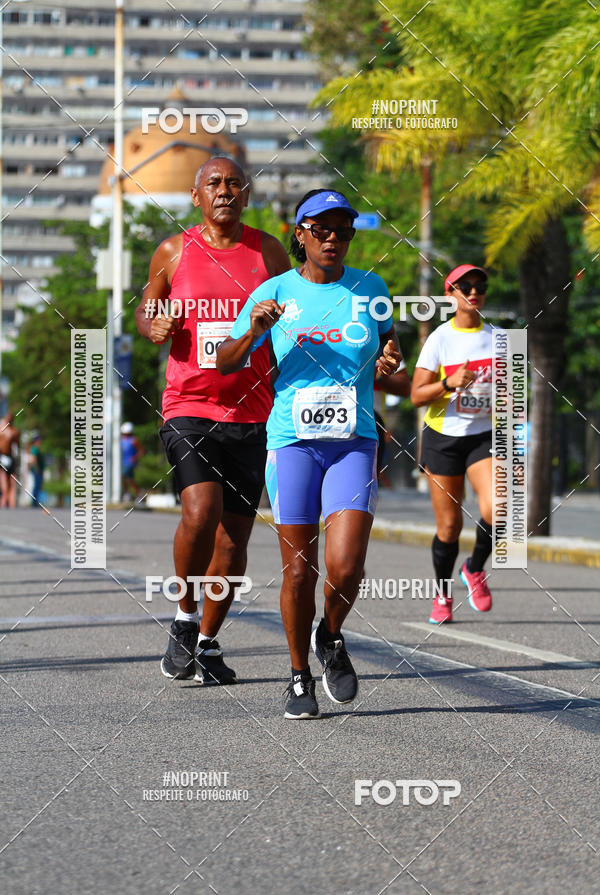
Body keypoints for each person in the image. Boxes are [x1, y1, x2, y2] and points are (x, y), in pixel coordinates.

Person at [218, 189, 401, 719]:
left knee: (345, 566)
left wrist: (390, 360)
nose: (333, 239)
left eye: (343, 230)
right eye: (320, 229)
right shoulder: (273, 292)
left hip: (354, 442)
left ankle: (332, 634)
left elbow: (390, 347)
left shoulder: (371, 288)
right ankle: (299, 676)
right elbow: (227, 363)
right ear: (299, 233)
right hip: (292, 442)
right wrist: (255, 329)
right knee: (300, 572)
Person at [135, 156, 289, 686]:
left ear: (246, 196)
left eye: (234, 184)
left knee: (233, 542)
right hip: (189, 405)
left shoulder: (267, 250)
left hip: (253, 410)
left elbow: (298, 308)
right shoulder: (173, 251)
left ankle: (207, 641)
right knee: (201, 512)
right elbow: (147, 308)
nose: (224, 191)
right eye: (214, 184)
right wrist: (156, 325)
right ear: (196, 196)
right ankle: (182, 617)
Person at [411, 264, 494, 624]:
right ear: (451, 294)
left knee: (499, 508)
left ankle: (474, 569)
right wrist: (449, 383)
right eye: (465, 286)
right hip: (443, 439)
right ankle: (442, 594)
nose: (473, 292)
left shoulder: (499, 338)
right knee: (449, 528)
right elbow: (416, 395)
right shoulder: (440, 339)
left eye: (479, 286)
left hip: (482, 436)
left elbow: (512, 395)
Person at [373, 368, 411, 486]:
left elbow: (405, 388)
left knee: (363, 491)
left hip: (370, 425)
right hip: (317, 427)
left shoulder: (384, 348)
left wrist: (376, 374)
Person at [0, 412, 20, 508]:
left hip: (10, 458)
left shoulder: (14, 432)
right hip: (2, 457)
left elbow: (17, 446)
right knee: (4, 480)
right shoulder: (1, 430)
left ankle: (11, 503)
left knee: (11, 480)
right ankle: (4, 500)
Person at [120, 422, 144, 500]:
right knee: (130, 479)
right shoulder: (121, 440)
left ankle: (128, 493)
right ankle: (138, 494)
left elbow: (142, 450)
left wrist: (135, 458)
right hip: (122, 462)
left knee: (123, 477)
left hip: (129, 463)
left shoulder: (133, 440)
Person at [29, 432, 45, 507]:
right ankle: (34, 503)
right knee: (36, 486)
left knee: (38, 486)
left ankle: (35, 502)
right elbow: (34, 459)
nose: (41, 440)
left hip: (39, 470)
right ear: (36, 440)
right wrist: (36, 468)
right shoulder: (35, 448)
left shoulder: (37, 448)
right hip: (37, 470)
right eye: (39, 439)